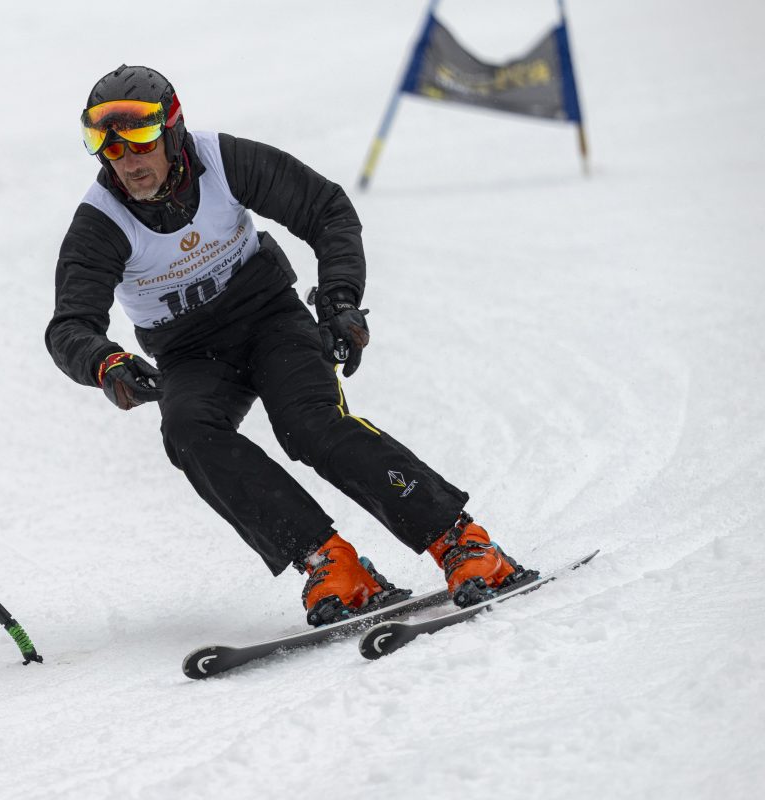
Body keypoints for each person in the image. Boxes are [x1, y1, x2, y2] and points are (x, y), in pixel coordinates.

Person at [45, 65, 536, 626]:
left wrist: (340, 299)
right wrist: (106, 364)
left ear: (173, 131)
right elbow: (70, 326)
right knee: (186, 432)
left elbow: (326, 209)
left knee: (309, 426)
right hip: (190, 353)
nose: (128, 161)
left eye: (140, 139)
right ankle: (330, 562)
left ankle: (462, 542)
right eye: (107, 145)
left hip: (269, 321)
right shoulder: (101, 222)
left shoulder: (224, 161)